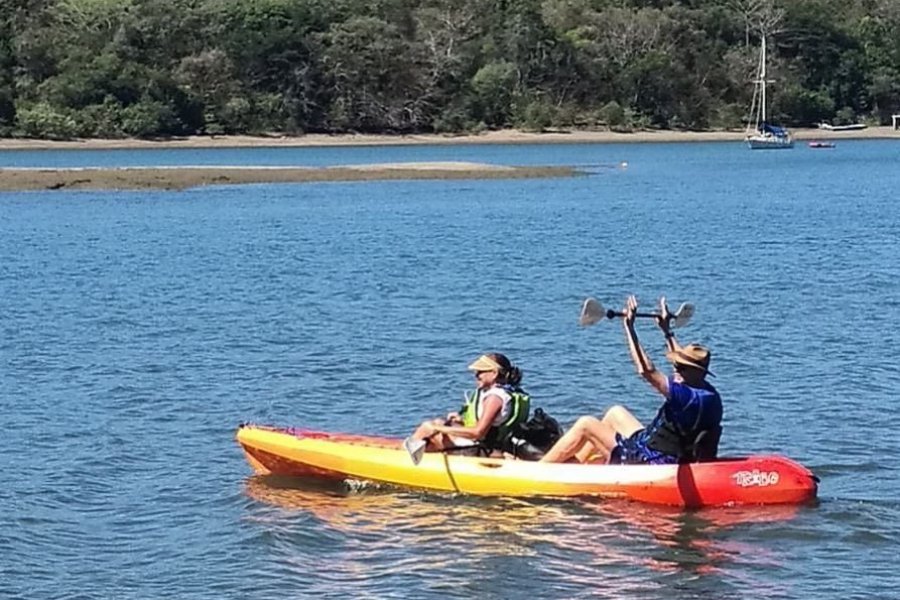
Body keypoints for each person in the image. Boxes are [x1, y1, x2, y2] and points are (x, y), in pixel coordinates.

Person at [540, 295, 722, 464]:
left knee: (586, 424)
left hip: (650, 460)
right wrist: (667, 331)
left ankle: (540, 470)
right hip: (657, 446)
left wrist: (629, 328)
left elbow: (646, 370)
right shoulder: (709, 393)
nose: (676, 369)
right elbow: (681, 359)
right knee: (614, 413)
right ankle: (578, 467)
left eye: (680, 367)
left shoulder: (685, 397)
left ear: (698, 372)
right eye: (676, 365)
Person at [408, 353, 530, 455]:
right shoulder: (510, 392)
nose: (476, 375)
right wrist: (460, 421)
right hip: (493, 442)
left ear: (494, 373)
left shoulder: (494, 397)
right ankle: (411, 450)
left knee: (430, 428)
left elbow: (478, 433)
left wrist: (436, 429)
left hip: (482, 447)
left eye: (480, 372)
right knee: (439, 422)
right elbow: (494, 425)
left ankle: (404, 458)